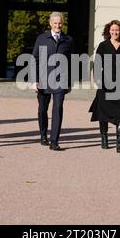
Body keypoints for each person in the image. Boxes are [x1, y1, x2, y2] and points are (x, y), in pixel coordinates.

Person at [89, 20, 120, 153]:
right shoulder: (103, 45)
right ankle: (104, 138)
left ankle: (119, 142)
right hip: (105, 84)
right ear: (108, 31)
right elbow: (97, 64)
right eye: (112, 30)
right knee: (103, 112)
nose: (115, 32)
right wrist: (98, 81)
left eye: (117, 30)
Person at [31, 12, 74, 151]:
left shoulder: (68, 40)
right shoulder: (42, 39)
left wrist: (70, 81)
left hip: (61, 80)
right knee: (43, 109)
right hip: (43, 79)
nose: (58, 25)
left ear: (63, 23)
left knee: (58, 109)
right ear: (50, 24)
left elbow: (72, 62)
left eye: (60, 23)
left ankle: (54, 141)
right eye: (55, 23)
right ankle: (43, 135)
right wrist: (34, 80)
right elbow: (35, 60)